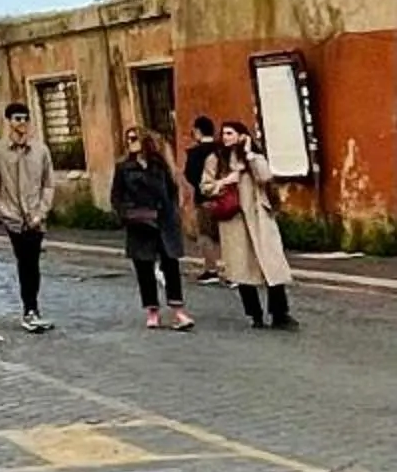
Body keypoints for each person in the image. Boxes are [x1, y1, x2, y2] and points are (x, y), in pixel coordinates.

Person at [207, 117, 296, 331]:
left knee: (273, 268)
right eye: (224, 133)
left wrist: (249, 153)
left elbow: (265, 177)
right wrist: (225, 182)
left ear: (241, 135)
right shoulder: (215, 159)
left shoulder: (253, 157)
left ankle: (280, 313)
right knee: (242, 269)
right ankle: (254, 315)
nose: (226, 137)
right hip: (234, 221)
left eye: (230, 133)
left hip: (259, 218)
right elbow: (206, 186)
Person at [110, 125, 192, 329]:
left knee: (171, 265)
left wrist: (173, 213)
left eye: (134, 138)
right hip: (138, 223)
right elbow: (116, 196)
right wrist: (127, 214)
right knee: (144, 268)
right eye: (128, 139)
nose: (131, 143)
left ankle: (178, 311)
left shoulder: (159, 164)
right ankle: (152, 310)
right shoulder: (123, 167)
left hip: (163, 221)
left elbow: (172, 190)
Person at [0, 99, 56, 331]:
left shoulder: (41, 150)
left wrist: (42, 210)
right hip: (13, 216)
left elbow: (49, 184)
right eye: (17, 119)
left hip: (36, 216)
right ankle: (30, 310)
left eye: (26, 118)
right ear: (9, 122)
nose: (22, 123)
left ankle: (32, 309)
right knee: (24, 261)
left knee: (32, 263)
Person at [180, 113, 224, 284]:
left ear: (197, 131)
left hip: (204, 198)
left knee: (206, 235)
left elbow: (190, 176)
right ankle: (233, 269)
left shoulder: (195, 153)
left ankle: (211, 269)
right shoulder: (222, 149)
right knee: (226, 234)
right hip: (227, 199)